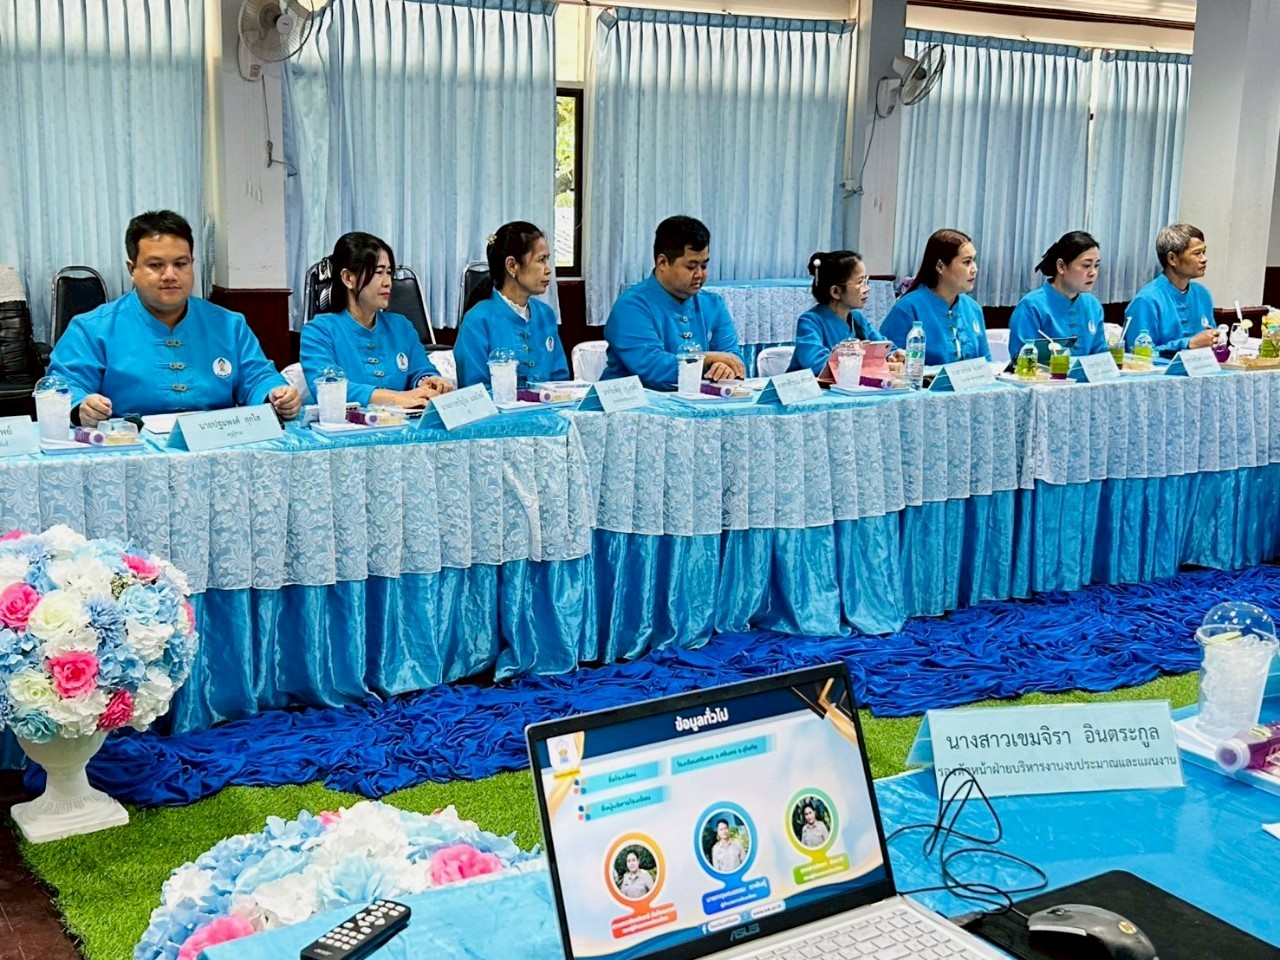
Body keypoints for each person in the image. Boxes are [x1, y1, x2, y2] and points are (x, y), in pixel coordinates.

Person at [47, 210, 300, 425]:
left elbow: (257, 377)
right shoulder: (91, 329)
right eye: (156, 265)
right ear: (132, 269)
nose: (170, 275)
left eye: (181, 264)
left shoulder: (229, 325)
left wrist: (275, 395)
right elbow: (63, 386)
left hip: (214, 441)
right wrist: (81, 407)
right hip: (130, 447)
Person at [300, 232, 453, 408]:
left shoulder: (401, 326)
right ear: (348, 278)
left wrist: (429, 381)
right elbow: (327, 388)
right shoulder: (318, 331)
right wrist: (397, 398)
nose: (388, 282)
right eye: (379, 272)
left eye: (389, 273)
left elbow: (421, 370)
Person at [603, 216, 746, 389]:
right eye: (691, 267)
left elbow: (732, 356)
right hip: (632, 401)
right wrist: (708, 359)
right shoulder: (631, 306)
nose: (700, 275)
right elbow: (653, 368)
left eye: (704, 266)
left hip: (696, 401)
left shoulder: (713, 304)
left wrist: (725, 368)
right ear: (662, 263)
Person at [454, 221, 570, 388]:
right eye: (541, 260)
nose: (548, 270)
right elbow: (475, 392)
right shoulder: (477, 321)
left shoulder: (546, 315)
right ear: (512, 265)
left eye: (547, 259)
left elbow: (560, 381)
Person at [881, 229, 990, 365]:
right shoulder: (907, 308)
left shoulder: (973, 308)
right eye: (967, 262)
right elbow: (890, 360)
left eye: (974, 261)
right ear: (940, 266)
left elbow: (987, 363)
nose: (974, 269)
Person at [788, 249, 898, 375]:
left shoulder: (857, 318)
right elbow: (817, 364)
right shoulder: (810, 321)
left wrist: (893, 355)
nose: (867, 289)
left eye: (866, 281)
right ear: (836, 292)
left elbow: (883, 346)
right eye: (860, 282)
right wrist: (860, 359)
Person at [1008, 231, 1108, 360]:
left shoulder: (1093, 305)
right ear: (1061, 266)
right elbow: (1021, 360)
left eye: (1096, 265)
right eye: (1086, 266)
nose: (1093, 272)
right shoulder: (1032, 306)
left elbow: (1101, 357)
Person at [1124, 223, 1216, 356]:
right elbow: (1138, 355)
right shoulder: (1146, 300)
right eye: (1197, 253)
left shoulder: (1203, 294)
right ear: (1172, 259)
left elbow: (1212, 340)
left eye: (1204, 252)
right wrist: (1188, 344)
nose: (1204, 259)